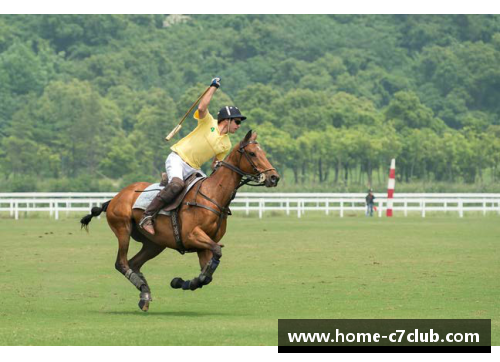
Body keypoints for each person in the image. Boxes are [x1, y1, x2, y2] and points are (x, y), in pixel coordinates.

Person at [139, 77, 246, 235]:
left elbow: (215, 163)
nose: (238, 126)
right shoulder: (208, 122)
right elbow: (202, 107)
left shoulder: (227, 144)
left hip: (193, 169)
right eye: (237, 122)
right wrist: (213, 87)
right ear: (227, 120)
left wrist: (217, 166)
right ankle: (147, 216)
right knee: (176, 185)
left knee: (206, 192)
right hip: (178, 158)